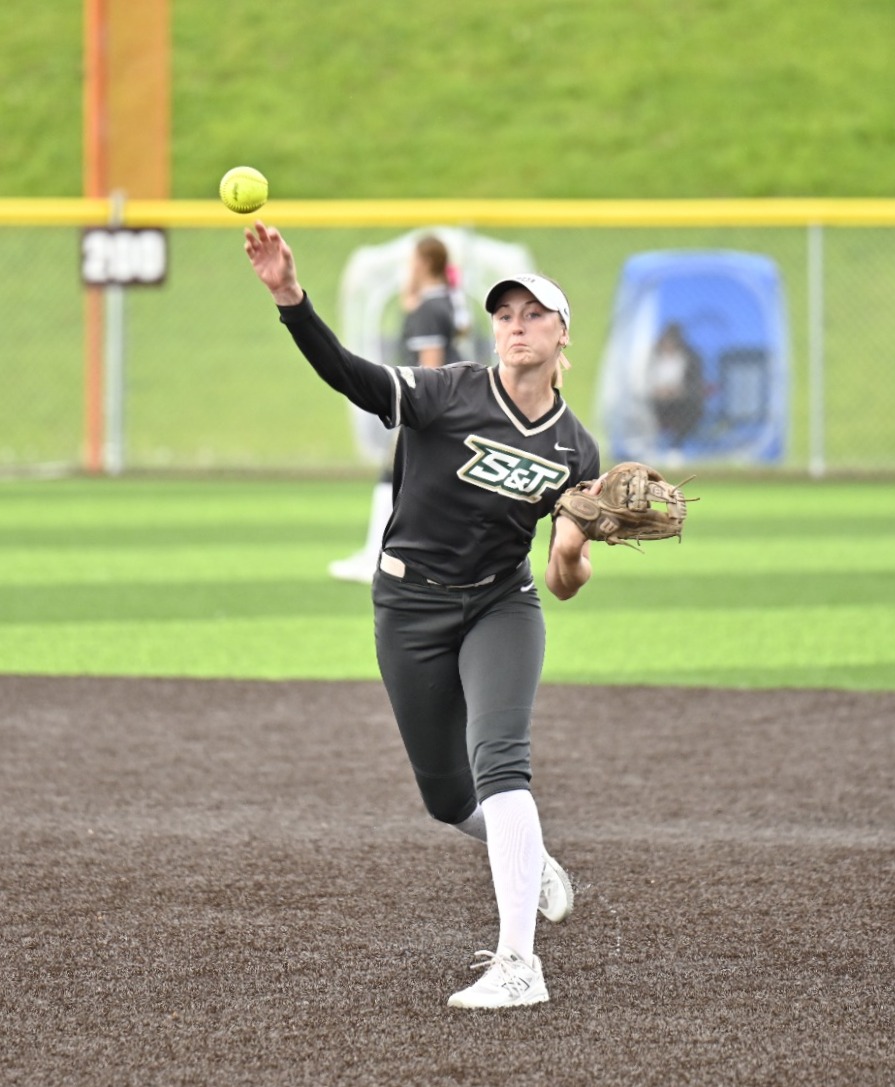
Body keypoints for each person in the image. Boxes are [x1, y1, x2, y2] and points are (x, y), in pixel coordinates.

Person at [244, 219, 600, 1009]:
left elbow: (563, 572)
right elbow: (353, 377)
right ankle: (530, 858)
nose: (515, 325)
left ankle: (519, 964)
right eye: (504, 313)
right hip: (408, 603)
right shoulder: (449, 392)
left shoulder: (577, 450)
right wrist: (290, 299)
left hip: (501, 604)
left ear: (561, 332)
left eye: (533, 314)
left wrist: (572, 553)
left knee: (501, 757)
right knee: (446, 796)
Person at [329, 234, 471, 583]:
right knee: (408, 480)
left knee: (392, 476)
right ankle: (384, 555)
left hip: (428, 408)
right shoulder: (446, 302)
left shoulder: (429, 308)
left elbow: (431, 368)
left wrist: (421, 412)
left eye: (412, 262)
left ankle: (377, 557)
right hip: (450, 406)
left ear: (423, 264)